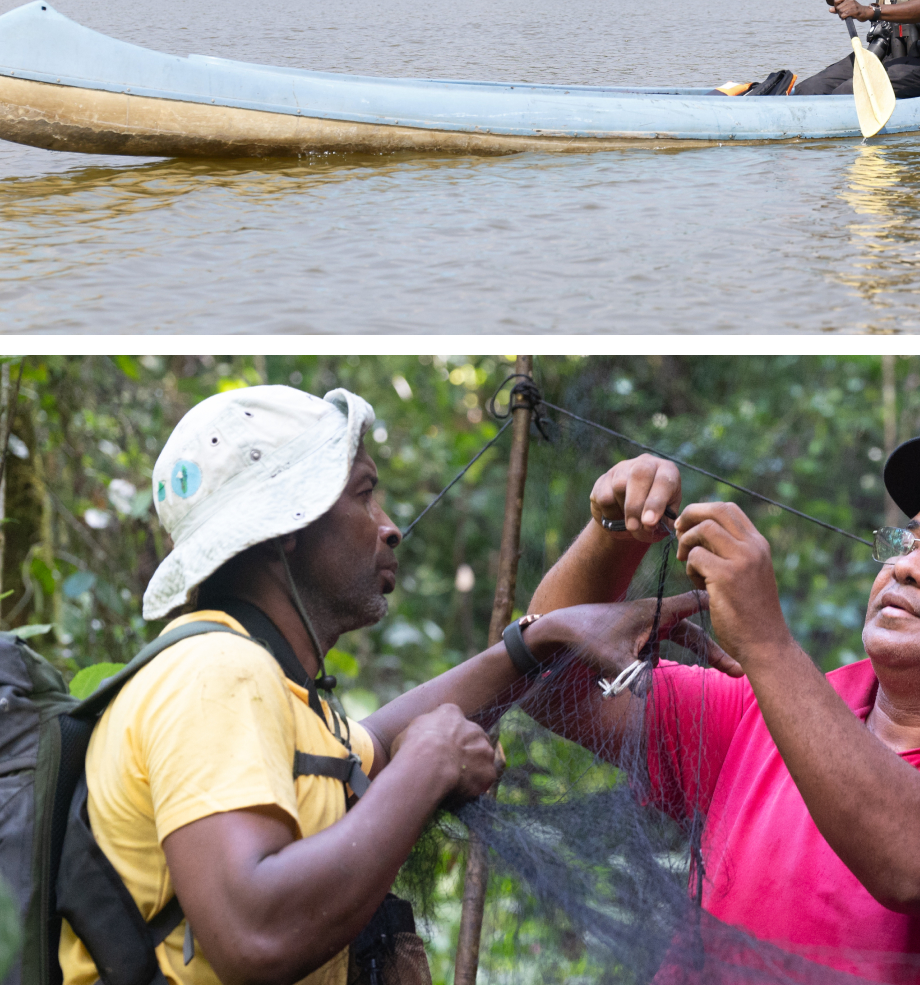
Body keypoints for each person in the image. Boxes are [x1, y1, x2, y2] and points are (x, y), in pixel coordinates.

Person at [58, 383, 708, 985]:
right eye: (364, 494)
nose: (389, 523)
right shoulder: (214, 672)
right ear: (287, 528)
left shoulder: (276, 686)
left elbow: (372, 747)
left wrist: (538, 640)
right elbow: (253, 934)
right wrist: (429, 765)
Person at [524, 436, 920, 983]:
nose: (904, 566)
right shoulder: (763, 711)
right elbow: (552, 684)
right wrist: (613, 531)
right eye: (904, 541)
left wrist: (767, 644)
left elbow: (915, 868)